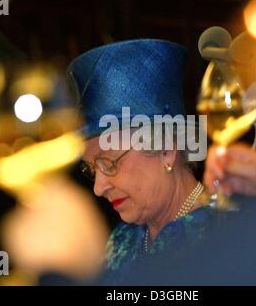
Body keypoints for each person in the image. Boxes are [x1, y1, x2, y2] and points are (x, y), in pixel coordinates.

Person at [67, 39, 218, 284]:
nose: (98, 188)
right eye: (92, 169)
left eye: (108, 163)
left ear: (167, 149)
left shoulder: (227, 234)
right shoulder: (121, 240)